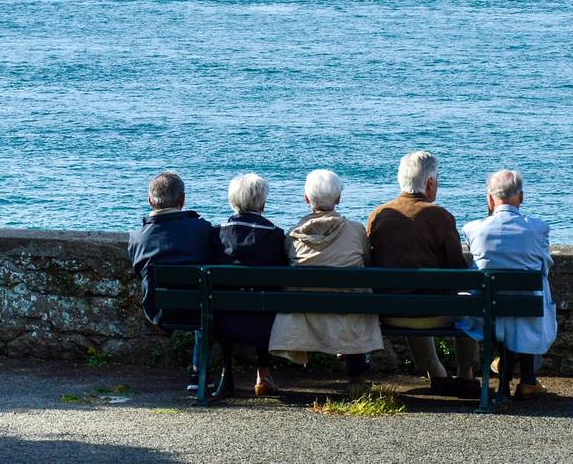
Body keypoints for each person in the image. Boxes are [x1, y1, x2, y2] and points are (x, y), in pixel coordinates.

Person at [367, 150, 479, 396]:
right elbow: (458, 271)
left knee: (408, 294)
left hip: (390, 313)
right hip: (433, 314)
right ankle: (465, 375)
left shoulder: (378, 216)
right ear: (429, 183)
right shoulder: (440, 216)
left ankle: (437, 374)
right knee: (467, 300)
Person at [269, 169, 384, 393]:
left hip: (304, 315)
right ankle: (357, 380)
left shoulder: (293, 235)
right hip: (350, 312)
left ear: (306, 199)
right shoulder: (356, 231)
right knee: (354, 301)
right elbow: (368, 263)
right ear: (339, 199)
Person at [462, 169, 557, 400]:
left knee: (506, 311)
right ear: (521, 197)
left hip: (485, 313)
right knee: (530, 299)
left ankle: (507, 382)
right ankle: (527, 380)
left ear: (490, 198)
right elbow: (545, 267)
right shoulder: (538, 228)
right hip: (526, 310)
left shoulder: (473, 229)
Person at [126, 171, 223, 393]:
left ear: (150, 200)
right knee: (204, 299)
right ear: (182, 200)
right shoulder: (202, 230)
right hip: (200, 309)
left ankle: (198, 371)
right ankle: (198, 371)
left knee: (201, 299)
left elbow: (137, 271)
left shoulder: (137, 238)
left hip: (158, 310)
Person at [214, 173, 289, 398]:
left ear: (233, 201)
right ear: (263, 203)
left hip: (222, 320)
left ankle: (226, 371)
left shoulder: (216, 234)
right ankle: (263, 373)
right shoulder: (275, 236)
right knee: (266, 302)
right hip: (265, 321)